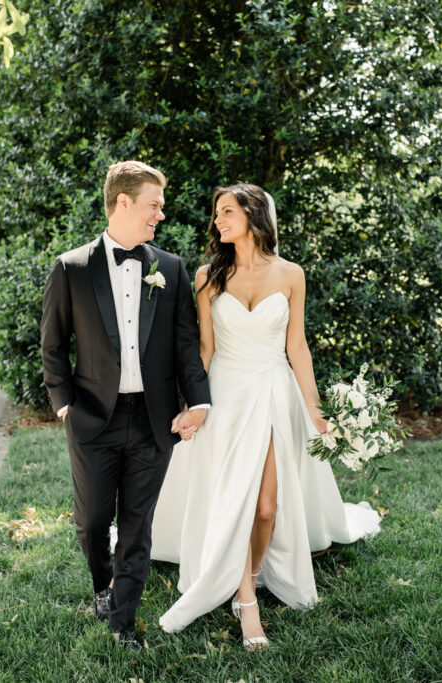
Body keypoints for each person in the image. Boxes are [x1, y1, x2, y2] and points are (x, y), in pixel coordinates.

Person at [150, 183, 381, 650]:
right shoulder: (207, 276)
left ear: (254, 216)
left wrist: (317, 412)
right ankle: (245, 601)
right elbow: (205, 350)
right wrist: (195, 405)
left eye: (227, 211)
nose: (218, 220)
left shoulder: (291, 274)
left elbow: (297, 347)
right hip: (227, 397)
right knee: (233, 501)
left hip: (275, 392)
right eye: (217, 213)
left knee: (265, 507)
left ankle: (251, 573)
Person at [40, 161, 211, 651]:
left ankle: (122, 622)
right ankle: (101, 584)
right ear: (124, 202)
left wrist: (198, 401)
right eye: (153, 205)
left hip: (155, 420)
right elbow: (53, 346)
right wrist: (64, 406)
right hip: (92, 417)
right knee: (93, 520)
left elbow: (185, 345)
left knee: (138, 525)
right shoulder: (71, 268)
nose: (160, 214)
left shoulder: (170, 269)